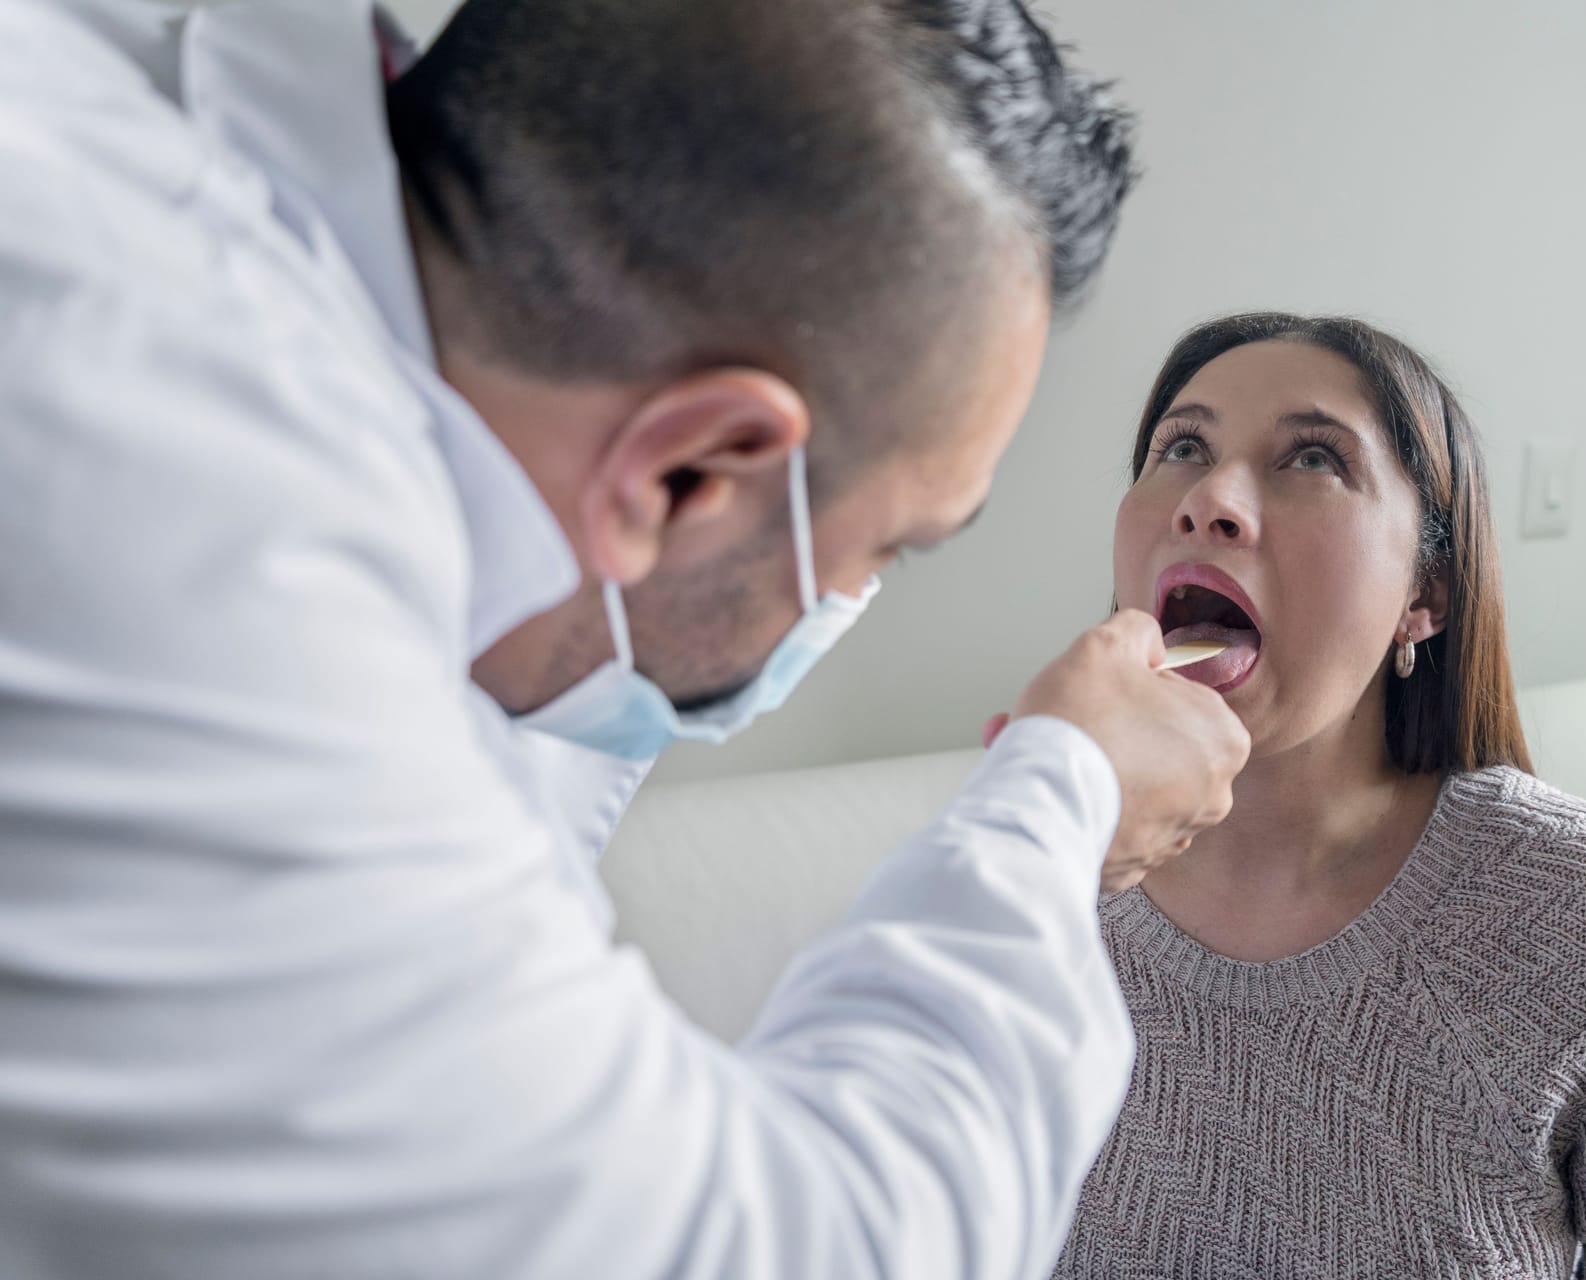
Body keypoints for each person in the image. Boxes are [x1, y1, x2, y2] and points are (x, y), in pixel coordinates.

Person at [0, 2, 1251, 1276]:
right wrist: (1061, 805)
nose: (860, 592)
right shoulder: (207, 556)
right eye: (893, 545)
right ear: (691, 475)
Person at [1047, 314, 1586, 1278]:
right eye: (1182, 447)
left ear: (1423, 594)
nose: (1211, 499)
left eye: (1312, 459)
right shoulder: (1032, 882)